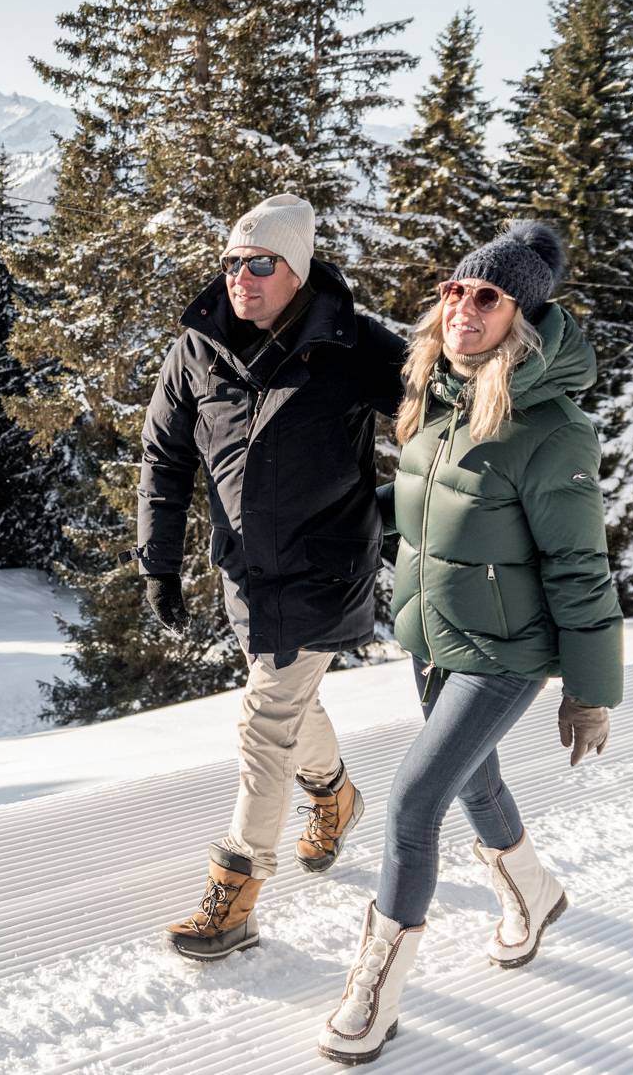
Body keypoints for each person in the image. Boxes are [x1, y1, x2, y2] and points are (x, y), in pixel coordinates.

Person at [318, 221, 624, 1066]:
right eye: (454, 290)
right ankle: (533, 894)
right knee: (471, 778)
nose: (462, 306)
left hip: (507, 650)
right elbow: (427, 510)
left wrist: (591, 687)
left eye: (486, 295)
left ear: (520, 316)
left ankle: (375, 988)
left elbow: (579, 565)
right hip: (432, 632)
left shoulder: (551, 429)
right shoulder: (442, 397)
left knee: (414, 801)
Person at [137, 194, 406, 962]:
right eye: (231, 262)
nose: (241, 277)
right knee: (288, 696)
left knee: (264, 722)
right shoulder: (196, 350)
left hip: (325, 569)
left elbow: (436, 413)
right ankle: (335, 794)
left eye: (261, 264)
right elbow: (165, 457)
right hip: (250, 575)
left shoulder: (351, 344)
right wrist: (158, 561)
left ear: (297, 271)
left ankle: (237, 889)